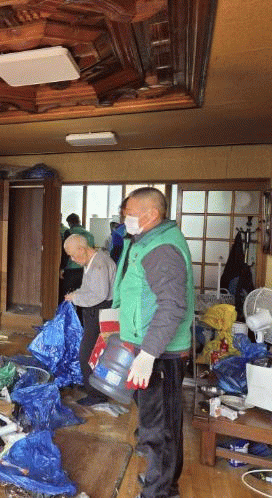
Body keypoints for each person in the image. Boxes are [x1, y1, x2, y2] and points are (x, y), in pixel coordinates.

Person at [112, 187, 194, 498]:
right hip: (151, 346)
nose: (126, 220)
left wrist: (147, 355)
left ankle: (159, 492)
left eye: (131, 214)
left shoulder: (162, 249)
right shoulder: (146, 240)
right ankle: (163, 483)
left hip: (160, 353)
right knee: (161, 422)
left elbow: (171, 305)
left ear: (152, 215)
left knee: (159, 429)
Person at [63, 234, 116, 406]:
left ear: (81, 249)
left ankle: (96, 395)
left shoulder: (100, 264)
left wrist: (76, 298)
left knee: (89, 354)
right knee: (90, 353)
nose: (72, 259)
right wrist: (75, 294)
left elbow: (99, 295)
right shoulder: (91, 261)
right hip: (94, 313)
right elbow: (89, 289)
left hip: (100, 312)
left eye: (72, 255)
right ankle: (91, 386)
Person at [59, 213, 95, 301]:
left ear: (69, 223)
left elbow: (65, 254)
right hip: (85, 269)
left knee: (68, 295)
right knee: (82, 294)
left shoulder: (69, 233)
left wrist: (61, 268)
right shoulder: (89, 234)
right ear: (79, 221)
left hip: (71, 269)